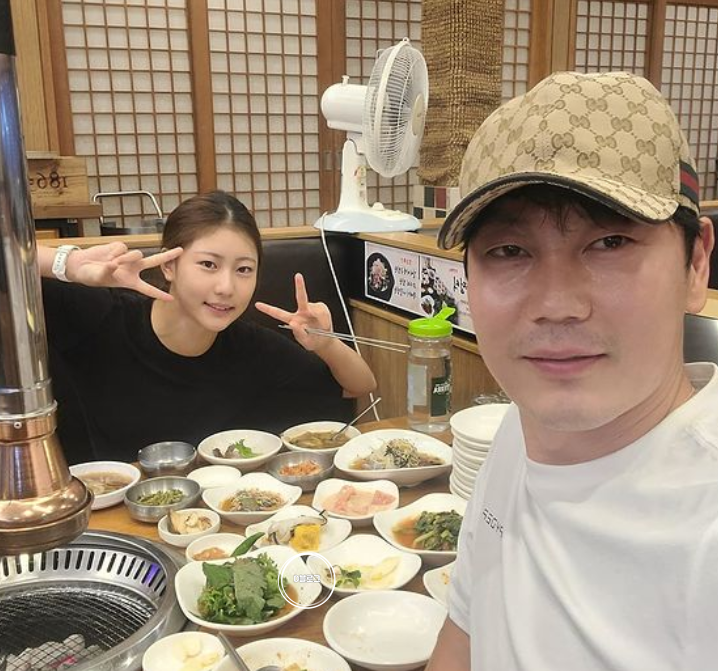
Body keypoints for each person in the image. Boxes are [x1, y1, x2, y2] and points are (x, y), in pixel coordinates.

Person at [426, 71, 717, 670]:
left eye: (610, 242)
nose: (557, 304)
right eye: (509, 251)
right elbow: (466, 630)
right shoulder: (517, 429)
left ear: (695, 264)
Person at [38, 191, 376, 463]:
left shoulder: (251, 348)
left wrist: (326, 343)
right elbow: (13, 261)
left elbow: (358, 385)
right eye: (208, 264)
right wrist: (71, 263)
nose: (226, 287)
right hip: (106, 512)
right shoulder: (102, 315)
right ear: (169, 265)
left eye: (243, 269)